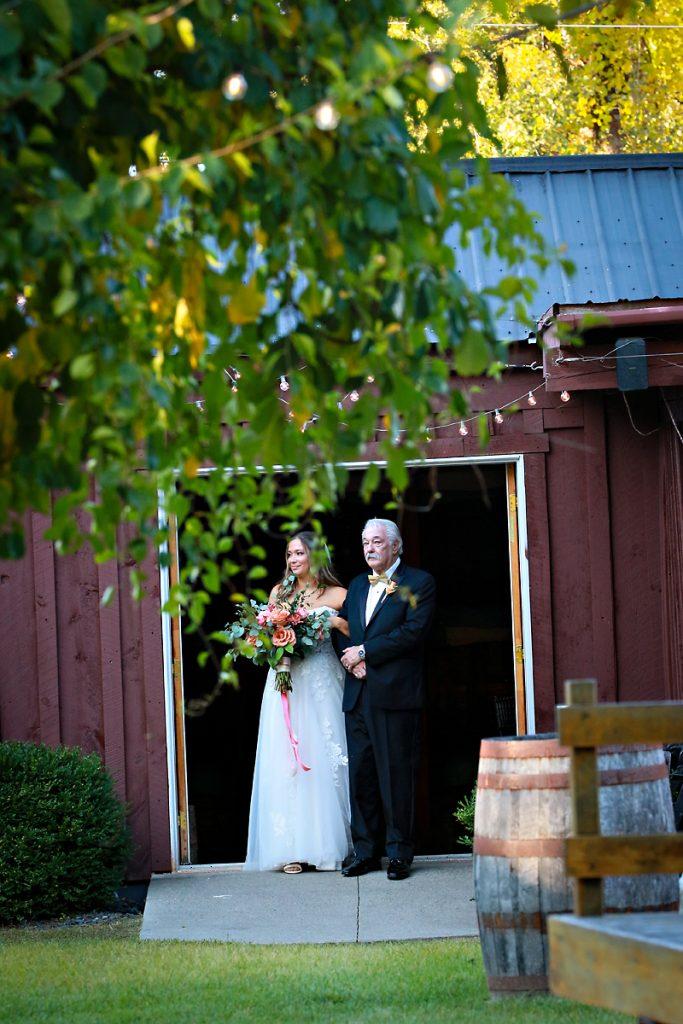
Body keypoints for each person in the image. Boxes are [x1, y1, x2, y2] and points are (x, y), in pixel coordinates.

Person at [243, 532, 353, 873]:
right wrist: (266, 643)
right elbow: (269, 636)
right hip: (287, 681)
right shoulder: (280, 592)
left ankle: (328, 843)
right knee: (286, 760)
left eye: (300, 553)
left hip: (321, 678)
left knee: (325, 755)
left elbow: (357, 632)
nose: (293, 560)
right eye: (289, 554)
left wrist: (332, 620)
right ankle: (289, 848)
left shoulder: (338, 594)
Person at [335, 518, 436, 881]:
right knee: (361, 776)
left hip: (394, 696)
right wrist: (351, 659)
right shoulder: (357, 585)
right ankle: (365, 852)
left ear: (395, 545)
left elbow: (413, 633)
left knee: (395, 776)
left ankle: (398, 854)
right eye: (365, 542)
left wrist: (365, 652)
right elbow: (343, 628)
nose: (369, 548)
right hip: (358, 694)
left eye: (377, 542)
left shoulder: (419, 582)